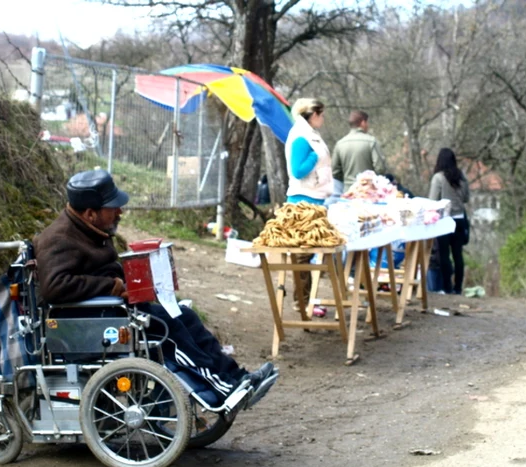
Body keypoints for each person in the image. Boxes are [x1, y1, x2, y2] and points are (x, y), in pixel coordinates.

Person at [34, 169, 275, 401]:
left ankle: (236, 377)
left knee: (185, 316)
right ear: (90, 213)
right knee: (168, 328)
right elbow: (54, 286)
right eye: (113, 208)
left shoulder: (91, 228)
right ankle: (224, 388)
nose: (119, 212)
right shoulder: (59, 239)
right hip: (94, 320)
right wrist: (113, 286)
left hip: (114, 311)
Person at [284, 98, 333, 310]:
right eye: (321, 114)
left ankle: (305, 300)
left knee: (308, 254)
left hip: (314, 199)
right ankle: (302, 302)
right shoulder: (301, 137)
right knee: (302, 254)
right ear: (313, 115)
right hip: (303, 202)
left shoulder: (310, 135)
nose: (323, 119)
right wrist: (313, 158)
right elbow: (297, 170)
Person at [429, 148, 470, 295]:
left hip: (444, 220)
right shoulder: (462, 177)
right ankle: (458, 287)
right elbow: (466, 198)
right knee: (458, 254)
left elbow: (433, 200)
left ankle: (447, 287)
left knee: (444, 255)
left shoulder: (438, 178)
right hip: (459, 219)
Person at [332, 110, 387, 192]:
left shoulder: (340, 144)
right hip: (369, 191)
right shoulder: (371, 142)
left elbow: (335, 171)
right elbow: (380, 168)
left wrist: (347, 181)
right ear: (363, 122)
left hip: (348, 191)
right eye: (367, 122)